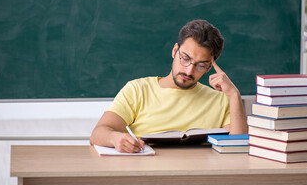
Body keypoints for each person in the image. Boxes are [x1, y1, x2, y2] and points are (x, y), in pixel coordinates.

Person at [90, 19, 248, 152]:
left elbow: (238, 147)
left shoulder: (221, 100)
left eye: (200, 65)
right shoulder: (138, 90)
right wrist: (115, 138)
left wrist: (234, 95)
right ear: (174, 51)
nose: (189, 70)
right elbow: (98, 133)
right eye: (185, 58)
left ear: (209, 68)